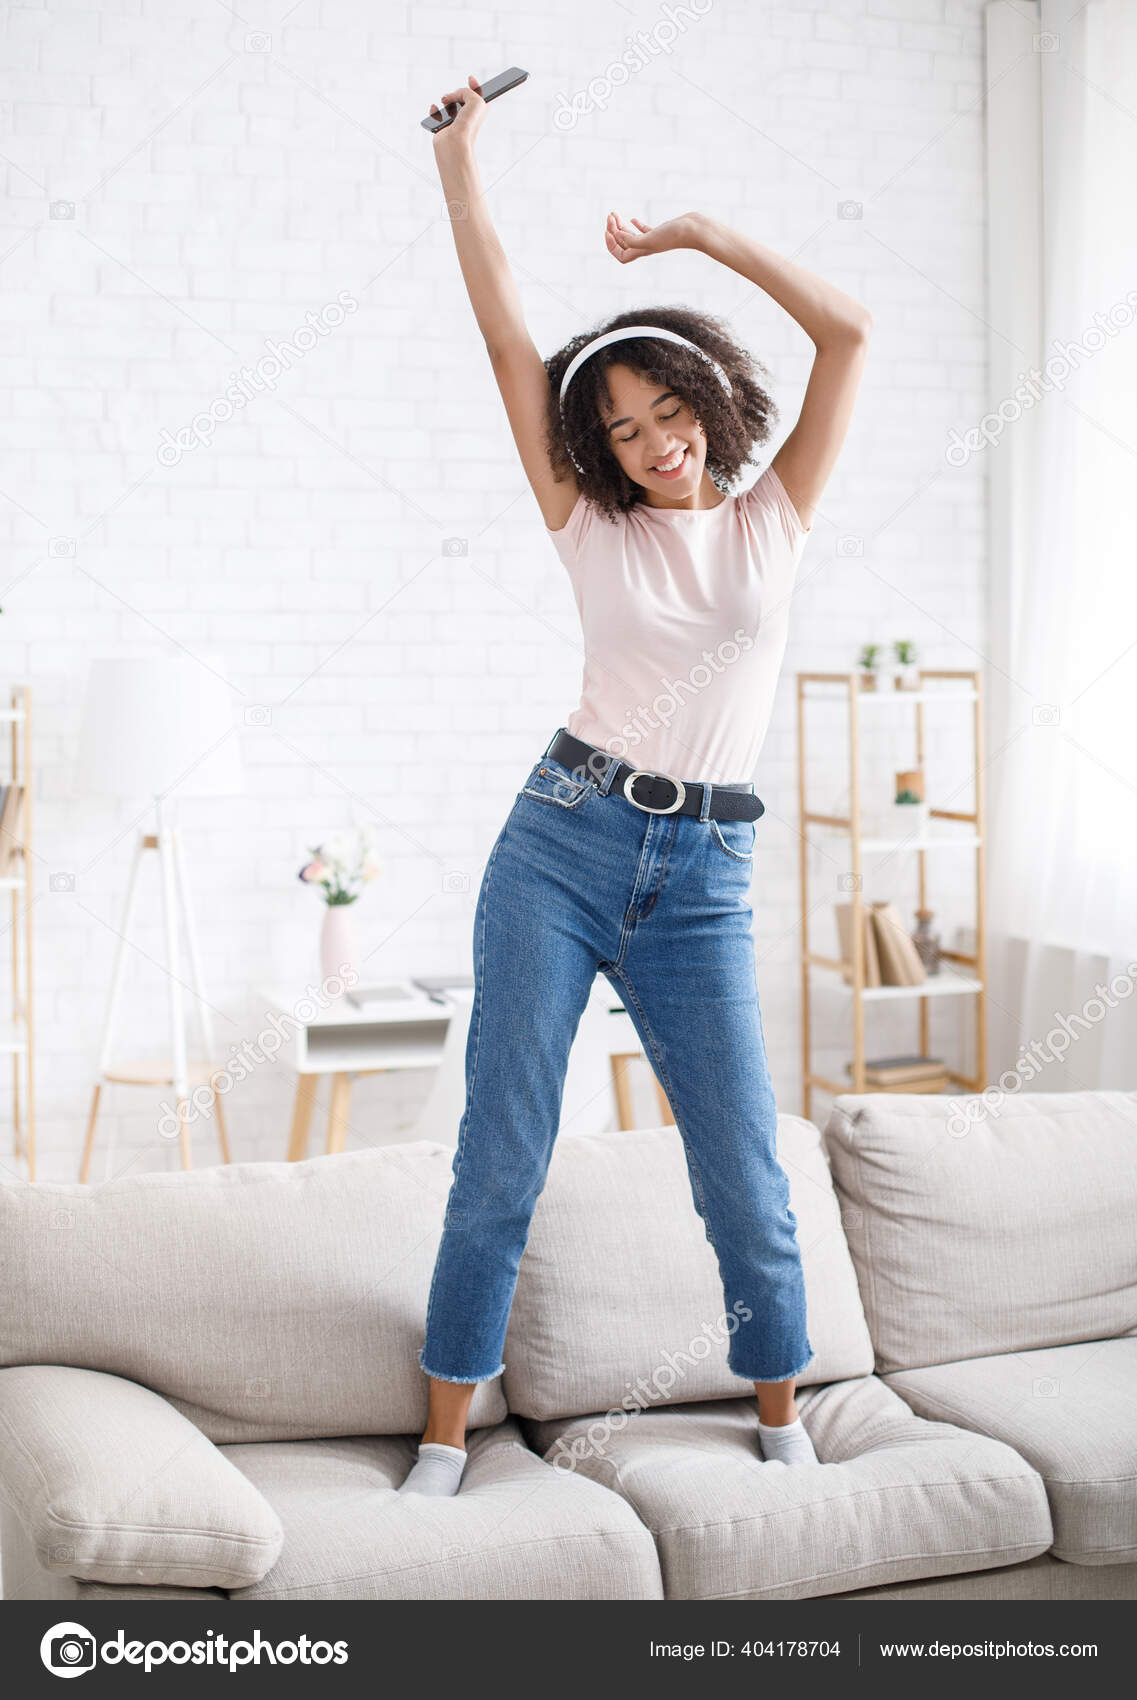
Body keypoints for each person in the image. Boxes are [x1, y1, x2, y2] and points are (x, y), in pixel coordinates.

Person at [400, 75, 871, 1498]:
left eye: (667, 410)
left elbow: (848, 331)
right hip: (558, 842)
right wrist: (458, 160)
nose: (653, 440)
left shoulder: (775, 515)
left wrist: (702, 235)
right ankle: (440, 1439)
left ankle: (779, 1417)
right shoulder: (587, 526)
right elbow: (501, 336)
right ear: (594, 451)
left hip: (706, 878)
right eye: (620, 427)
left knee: (740, 1164)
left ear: (707, 406)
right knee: (502, 1151)